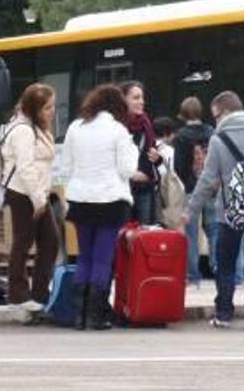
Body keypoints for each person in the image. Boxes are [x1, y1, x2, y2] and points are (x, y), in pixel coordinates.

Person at [184, 91, 244, 330]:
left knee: (226, 263)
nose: (215, 122)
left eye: (216, 116)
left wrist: (191, 209)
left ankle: (224, 313)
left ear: (225, 113)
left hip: (228, 213)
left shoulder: (218, 140)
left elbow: (207, 180)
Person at [58, 85, 138, 330]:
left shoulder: (75, 128)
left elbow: (66, 168)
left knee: (85, 256)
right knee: (102, 258)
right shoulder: (118, 131)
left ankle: (79, 315)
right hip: (110, 201)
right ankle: (96, 316)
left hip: (80, 200)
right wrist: (133, 149)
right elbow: (127, 170)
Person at [1, 84, 58, 311]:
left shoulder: (37, 127)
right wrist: (39, 201)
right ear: (34, 109)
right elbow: (25, 168)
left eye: (52, 106)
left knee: (50, 242)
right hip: (24, 193)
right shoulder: (23, 130)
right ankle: (18, 294)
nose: (52, 111)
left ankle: (39, 293)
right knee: (23, 243)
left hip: (37, 193)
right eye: (47, 108)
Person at [174, 97, 216, 286]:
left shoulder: (181, 136)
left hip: (191, 190)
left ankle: (193, 274)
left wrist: (187, 183)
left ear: (183, 114)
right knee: (214, 230)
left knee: (190, 233)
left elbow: (179, 167)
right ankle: (219, 270)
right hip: (211, 188)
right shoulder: (212, 132)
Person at [120, 81, 162, 225]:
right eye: (136, 98)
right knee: (123, 236)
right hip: (124, 191)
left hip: (145, 190)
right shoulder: (116, 127)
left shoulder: (146, 124)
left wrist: (157, 158)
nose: (141, 102)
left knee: (145, 237)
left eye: (142, 98)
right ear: (124, 100)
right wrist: (132, 174)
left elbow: (154, 157)